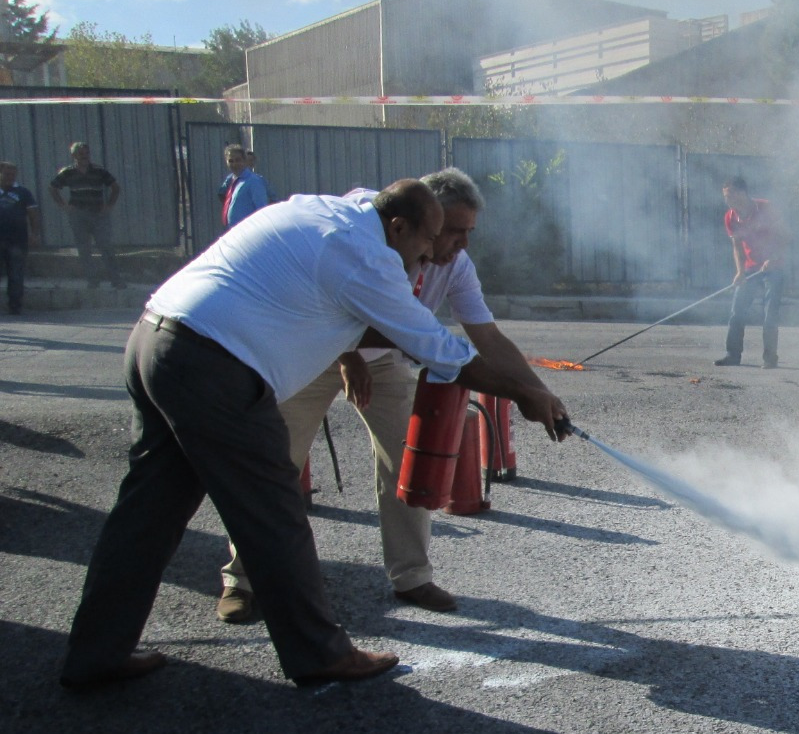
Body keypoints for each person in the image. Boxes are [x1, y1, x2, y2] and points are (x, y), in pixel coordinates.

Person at [59, 180, 569, 690]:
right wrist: (520, 394)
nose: (431, 252)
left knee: (147, 514)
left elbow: (361, 318)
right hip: (214, 363)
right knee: (274, 512)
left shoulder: (329, 213)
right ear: (399, 226)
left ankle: (96, 653)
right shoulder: (369, 256)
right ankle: (318, 652)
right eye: (427, 239)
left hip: (156, 336)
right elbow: (438, 348)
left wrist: (529, 385)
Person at [215, 168, 552, 621]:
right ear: (420, 221)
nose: (460, 244)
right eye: (452, 231)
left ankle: (412, 575)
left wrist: (539, 391)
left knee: (406, 459)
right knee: (276, 461)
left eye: (468, 232)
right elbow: (330, 294)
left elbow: (486, 337)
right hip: (319, 351)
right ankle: (241, 579)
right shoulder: (371, 226)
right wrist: (347, 356)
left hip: (387, 359)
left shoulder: (456, 265)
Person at [714, 176, 790, 369]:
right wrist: (740, 272)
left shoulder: (766, 208)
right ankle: (733, 355)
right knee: (737, 310)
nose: (727, 200)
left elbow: (785, 236)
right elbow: (737, 247)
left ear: (742, 193)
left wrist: (773, 258)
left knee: (769, 314)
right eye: (725, 196)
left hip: (774, 266)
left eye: (729, 195)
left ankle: (770, 358)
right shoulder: (730, 217)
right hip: (750, 267)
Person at [48, 142, 123, 289]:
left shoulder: (99, 170)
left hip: (98, 214)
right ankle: (92, 281)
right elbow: (52, 188)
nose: (84, 156)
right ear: (74, 155)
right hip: (78, 215)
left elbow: (115, 187)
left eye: (86, 153)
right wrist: (63, 206)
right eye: (80, 153)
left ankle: (116, 280)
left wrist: (109, 206)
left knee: (105, 246)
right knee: (84, 249)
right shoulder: (67, 172)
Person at [0, 161, 43, 315]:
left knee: (16, 274)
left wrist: (35, 233)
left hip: (17, 241)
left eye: (13, 174)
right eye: (6, 174)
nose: (10, 177)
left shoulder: (23, 192)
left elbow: (33, 214)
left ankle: (15, 305)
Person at [217, 143, 273, 230]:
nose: (234, 164)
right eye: (231, 161)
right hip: (233, 231)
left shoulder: (253, 181)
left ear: (244, 161)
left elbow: (262, 209)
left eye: (238, 160)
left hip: (248, 232)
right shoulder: (233, 180)